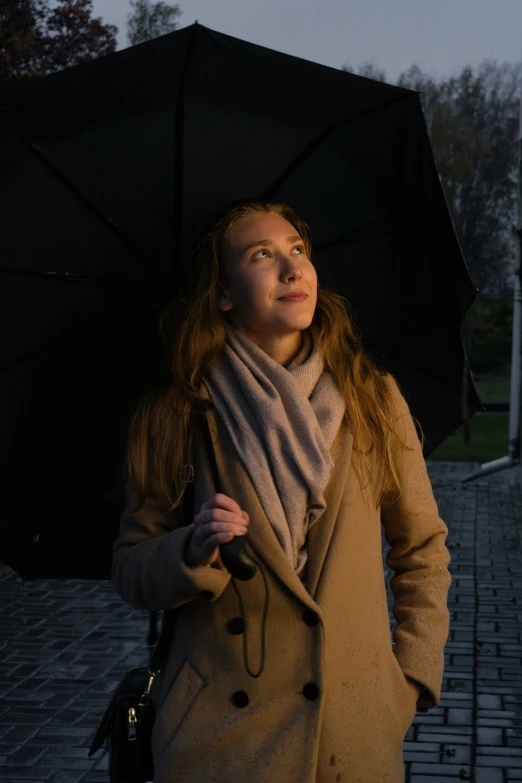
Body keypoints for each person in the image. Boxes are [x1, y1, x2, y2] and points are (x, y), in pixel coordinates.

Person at [112, 199, 452, 783]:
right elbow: (130, 568)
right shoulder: (176, 414)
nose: (293, 269)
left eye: (299, 250)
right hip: (219, 739)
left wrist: (409, 679)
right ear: (222, 294)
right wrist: (191, 552)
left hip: (352, 734)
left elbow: (422, 549)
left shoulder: (372, 398)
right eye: (262, 255)